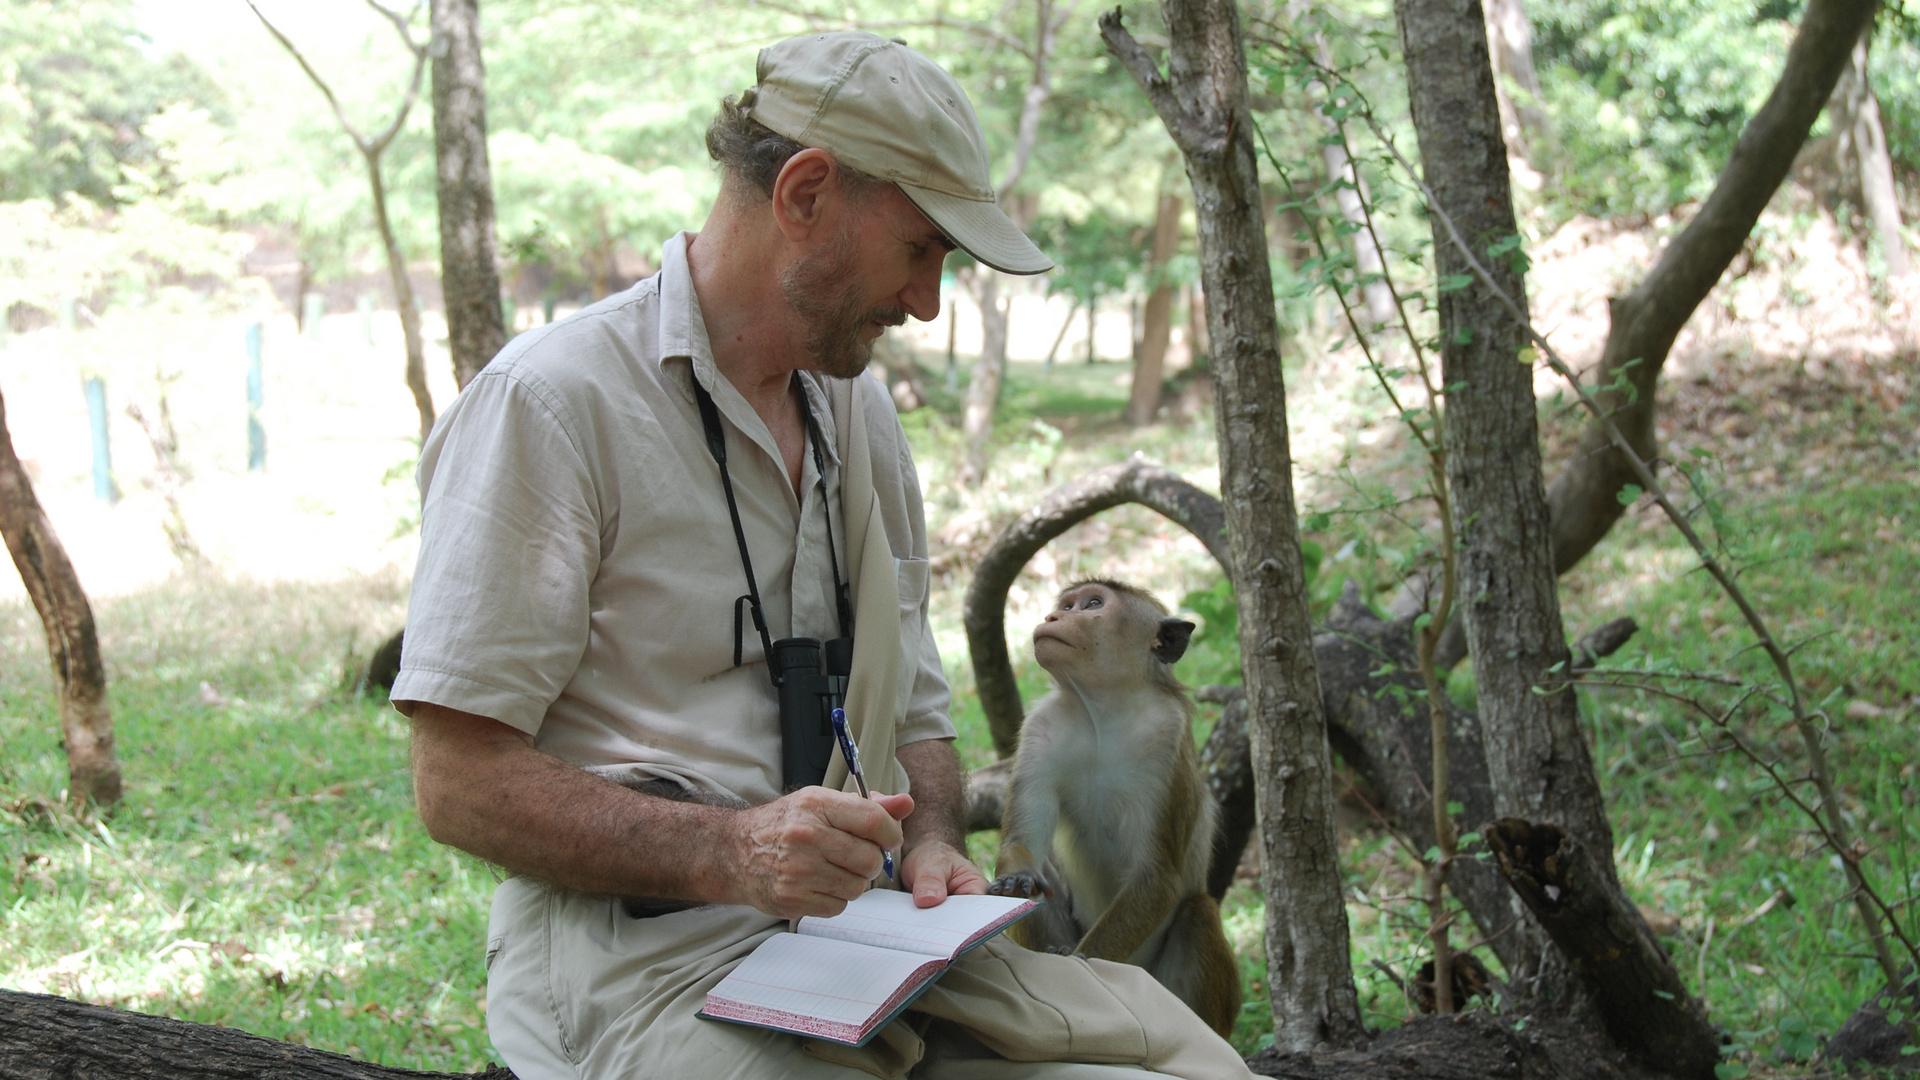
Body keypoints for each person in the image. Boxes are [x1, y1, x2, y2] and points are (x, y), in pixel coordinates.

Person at [392, 30, 1256, 1080]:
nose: (928, 301)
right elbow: (457, 782)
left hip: (871, 946)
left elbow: (922, 719)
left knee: (1189, 1064)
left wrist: (934, 838)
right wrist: (732, 851)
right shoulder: (554, 405)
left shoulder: (859, 417)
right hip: (643, 960)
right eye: (921, 249)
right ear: (805, 193)